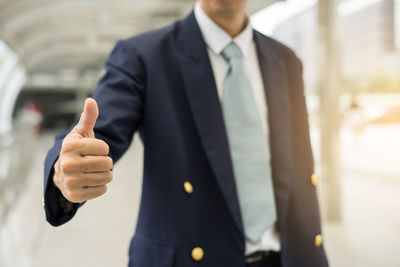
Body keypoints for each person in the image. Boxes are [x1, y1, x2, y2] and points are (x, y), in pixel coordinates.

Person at [43, 0, 329, 266]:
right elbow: (99, 132)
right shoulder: (143, 56)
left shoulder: (286, 60)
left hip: (287, 257)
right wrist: (64, 170)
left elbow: (299, 167)